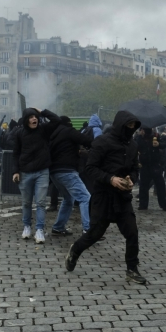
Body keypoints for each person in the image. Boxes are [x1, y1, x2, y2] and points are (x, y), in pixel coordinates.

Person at [64, 111, 146, 284]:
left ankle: (132, 269)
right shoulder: (102, 142)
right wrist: (110, 179)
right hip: (103, 196)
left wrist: (131, 179)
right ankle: (75, 250)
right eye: (128, 127)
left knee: (132, 232)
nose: (130, 130)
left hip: (122, 196)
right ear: (120, 125)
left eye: (133, 127)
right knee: (95, 233)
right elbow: (90, 168)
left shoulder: (132, 145)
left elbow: (134, 168)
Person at [12, 107, 60, 244]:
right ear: (26, 120)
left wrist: (43, 111)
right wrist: (15, 171)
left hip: (42, 171)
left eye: (35, 117)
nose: (34, 119)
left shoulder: (44, 130)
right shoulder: (19, 133)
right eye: (31, 117)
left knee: (40, 202)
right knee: (26, 203)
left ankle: (39, 229)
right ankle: (26, 226)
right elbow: (15, 153)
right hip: (25, 172)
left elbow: (57, 120)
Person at [49, 116, 92, 235]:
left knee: (68, 199)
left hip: (54, 172)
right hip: (67, 170)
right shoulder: (69, 131)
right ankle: (88, 229)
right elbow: (87, 140)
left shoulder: (53, 135)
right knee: (85, 197)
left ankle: (58, 227)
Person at [136, 127, 166, 212]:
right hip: (145, 164)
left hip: (155, 164)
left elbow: (164, 145)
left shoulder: (156, 136)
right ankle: (143, 204)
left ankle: (163, 204)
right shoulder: (140, 138)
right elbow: (135, 146)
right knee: (143, 185)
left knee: (160, 185)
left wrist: (158, 144)